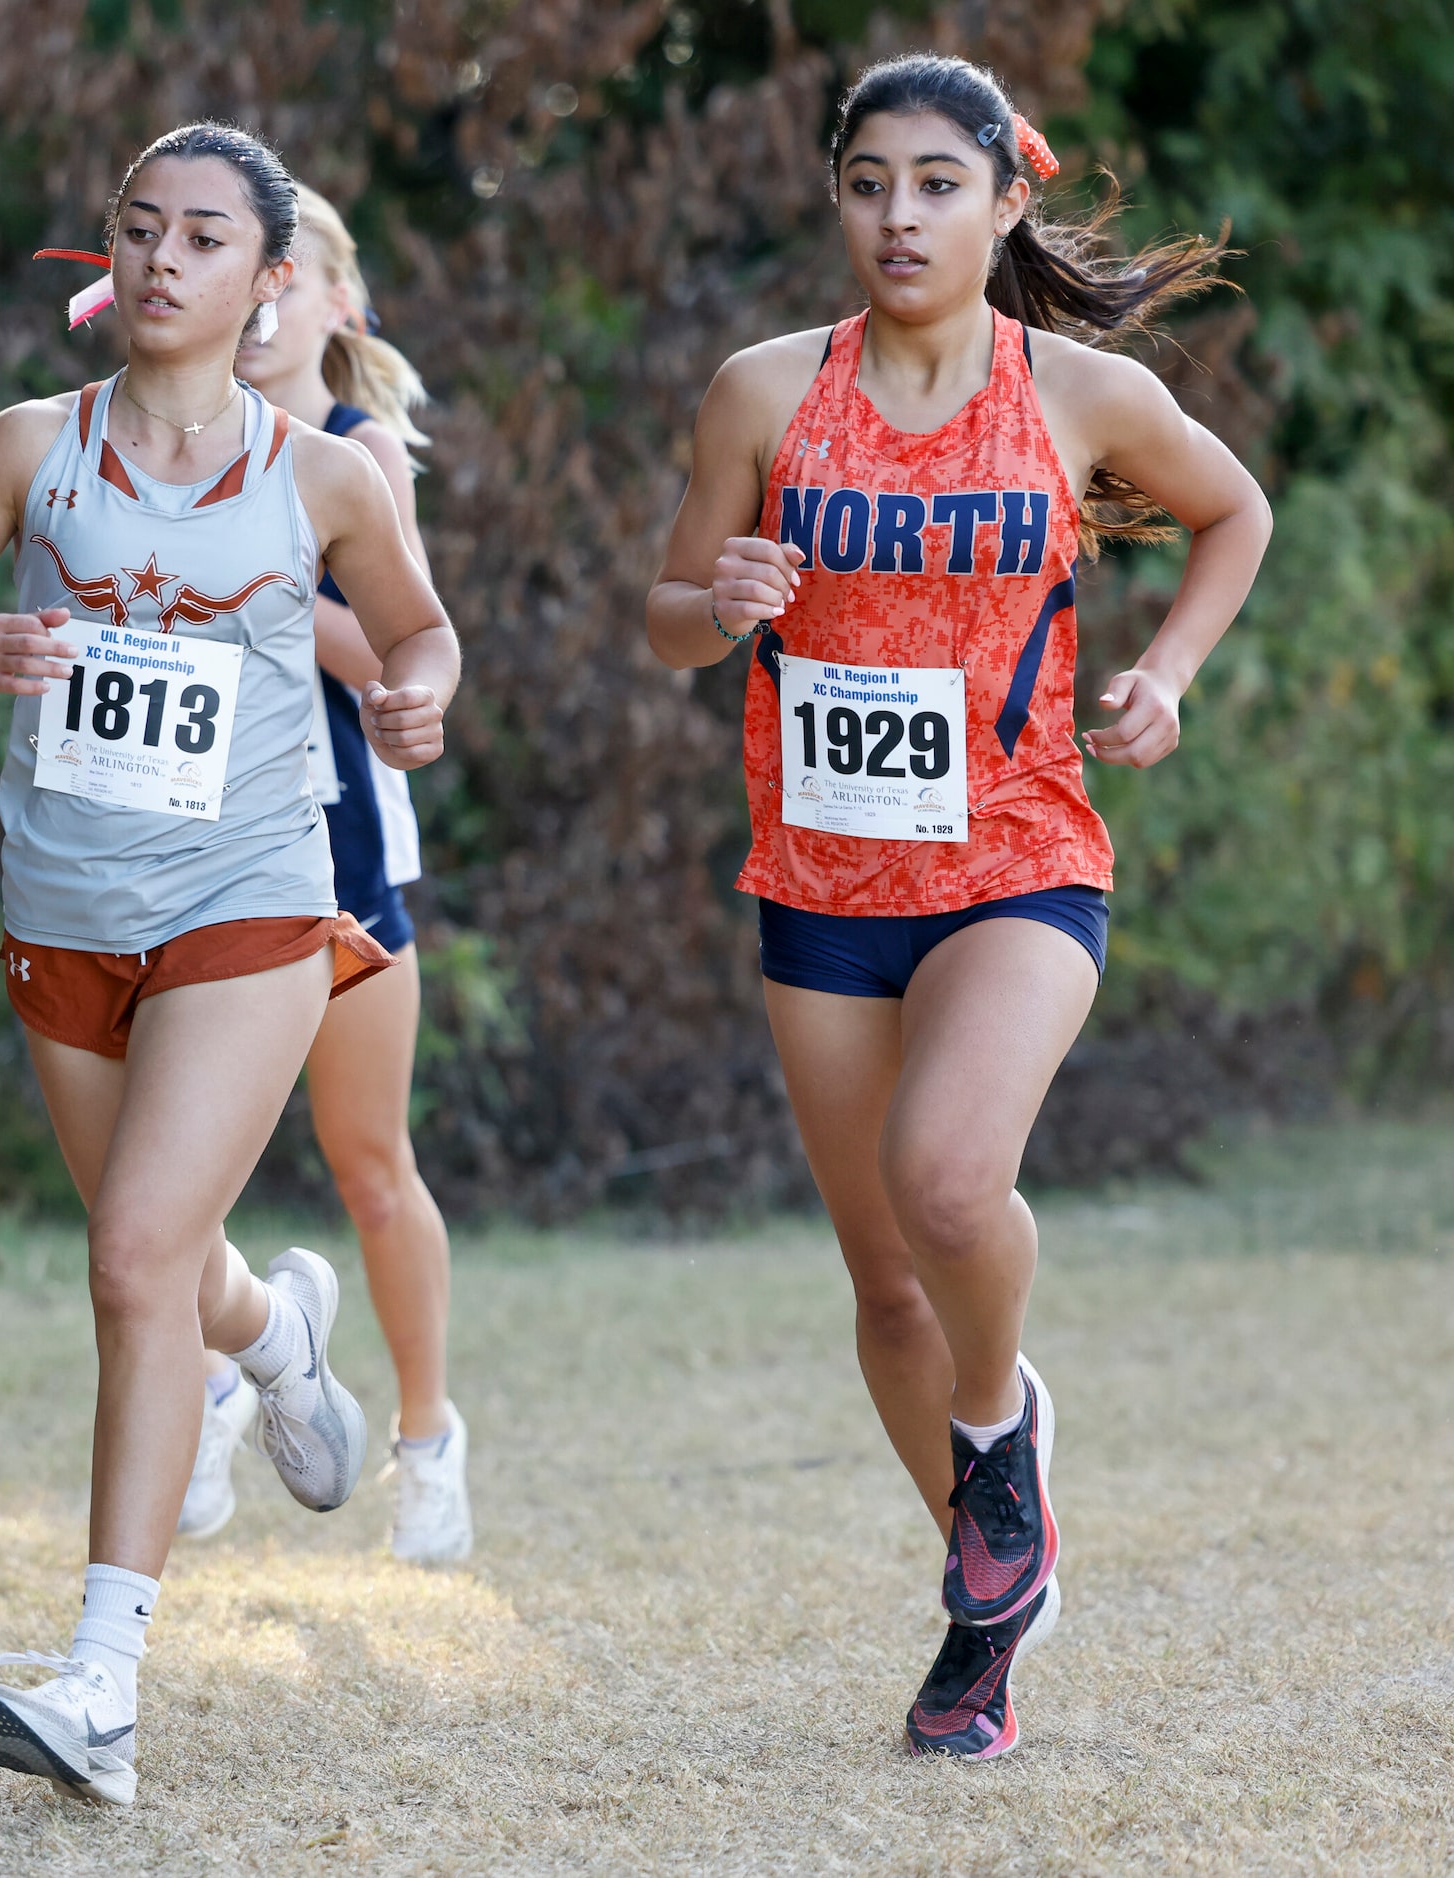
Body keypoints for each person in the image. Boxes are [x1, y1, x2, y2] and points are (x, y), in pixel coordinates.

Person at [645, 55, 1269, 1760]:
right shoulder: (764, 391)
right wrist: (726, 597)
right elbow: (668, 613)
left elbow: (1236, 510)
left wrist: (1168, 670)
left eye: (936, 184)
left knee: (946, 1178)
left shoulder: (1074, 391)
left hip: (1018, 856)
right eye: (867, 183)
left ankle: (1001, 1438)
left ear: (1006, 202)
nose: (897, 216)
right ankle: (984, 1611)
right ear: (836, 199)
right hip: (823, 880)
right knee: (886, 1283)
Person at [0, 122, 461, 1806]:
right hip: (63, 903)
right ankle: (276, 1335)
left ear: (270, 280)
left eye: (203, 237)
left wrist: (421, 693)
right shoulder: (25, 448)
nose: (160, 260)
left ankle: (103, 1685)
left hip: (252, 896)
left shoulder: (326, 472)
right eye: (137, 229)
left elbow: (416, 629)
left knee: (131, 1254)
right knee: (161, 1260)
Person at [177, 182, 468, 1565]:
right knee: (174, 1175)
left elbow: (388, 644)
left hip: (339, 833)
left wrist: (267, 594)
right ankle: (221, 1375)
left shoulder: (354, 455)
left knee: (368, 1157)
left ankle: (426, 1439)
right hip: (187, 830)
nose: (268, 297)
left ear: (336, 303)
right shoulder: (169, 438)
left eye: (298, 276)